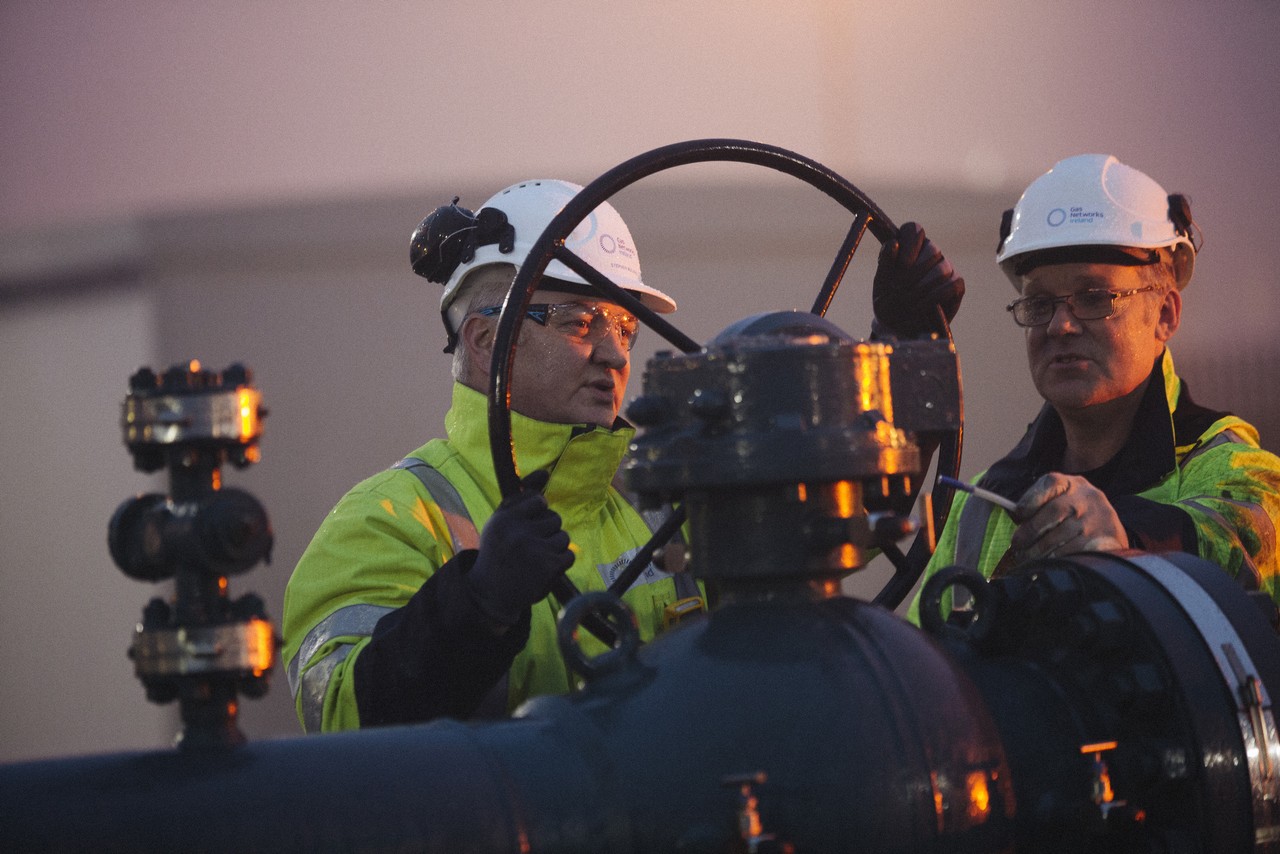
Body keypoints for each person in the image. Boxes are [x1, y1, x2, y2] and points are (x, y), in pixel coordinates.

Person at [283, 176, 962, 732]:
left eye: (626, 328)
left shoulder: (661, 491)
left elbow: (820, 521)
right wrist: (478, 605)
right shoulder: (386, 520)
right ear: (488, 343)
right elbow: (344, 721)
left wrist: (900, 351)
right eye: (582, 322)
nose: (614, 353)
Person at [906, 153, 1280, 623]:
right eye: (1039, 302)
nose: (1060, 324)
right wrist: (900, 347)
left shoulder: (1239, 474)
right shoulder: (979, 506)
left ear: (1165, 315)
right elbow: (921, 670)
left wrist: (1124, 536)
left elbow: (1243, 549)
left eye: (1095, 297)